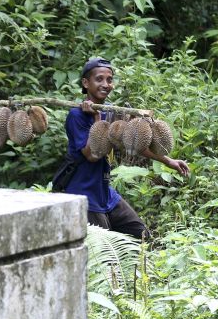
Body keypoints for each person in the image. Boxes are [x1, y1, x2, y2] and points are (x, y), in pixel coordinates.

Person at [64, 57, 190, 238]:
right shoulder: (76, 115)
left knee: (142, 236)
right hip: (85, 195)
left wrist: (168, 161)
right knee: (104, 253)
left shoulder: (110, 110)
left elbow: (132, 144)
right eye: (99, 79)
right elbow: (93, 154)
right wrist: (97, 118)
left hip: (105, 192)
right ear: (86, 82)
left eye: (109, 79)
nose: (105, 84)